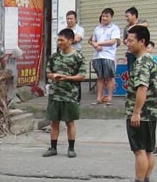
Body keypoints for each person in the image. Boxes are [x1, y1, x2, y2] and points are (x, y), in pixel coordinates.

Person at [116, 25, 157, 182]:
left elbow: (142, 88)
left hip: (142, 113)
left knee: (140, 149)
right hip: (152, 112)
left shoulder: (142, 62)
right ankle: (146, 180)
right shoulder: (151, 59)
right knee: (148, 149)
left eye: (130, 40)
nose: (127, 43)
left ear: (142, 42)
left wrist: (136, 112)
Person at [42, 29, 86, 159]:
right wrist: (54, 76)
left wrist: (66, 78)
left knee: (69, 122)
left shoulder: (78, 57)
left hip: (70, 95)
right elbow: (48, 72)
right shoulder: (55, 56)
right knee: (54, 122)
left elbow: (82, 76)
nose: (59, 42)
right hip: (55, 94)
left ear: (70, 41)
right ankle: (53, 148)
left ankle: (71, 148)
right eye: (58, 39)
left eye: (62, 40)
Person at [88, 8, 120, 106]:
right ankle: (99, 98)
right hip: (98, 56)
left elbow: (113, 41)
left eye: (107, 16)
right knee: (100, 77)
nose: (104, 18)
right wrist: (95, 45)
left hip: (108, 56)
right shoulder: (97, 28)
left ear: (111, 17)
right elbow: (92, 40)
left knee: (109, 77)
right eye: (103, 16)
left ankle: (109, 97)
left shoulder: (115, 28)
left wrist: (99, 43)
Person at [65, 10, 85, 102]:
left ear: (75, 19)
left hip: (76, 56)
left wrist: (66, 40)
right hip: (65, 56)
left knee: (76, 76)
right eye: (68, 19)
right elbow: (60, 42)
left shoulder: (80, 29)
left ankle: (77, 99)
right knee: (65, 76)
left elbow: (77, 39)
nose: (69, 20)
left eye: (71, 19)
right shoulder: (64, 30)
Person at [122, 7, 148, 72]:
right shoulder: (126, 28)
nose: (126, 18)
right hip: (131, 53)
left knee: (142, 70)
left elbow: (146, 24)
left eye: (127, 16)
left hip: (141, 52)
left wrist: (134, 26)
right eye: (125, 17)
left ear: (134, 15)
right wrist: (127, 41)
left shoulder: (142, 22)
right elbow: (124, 40)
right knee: (131, 71)